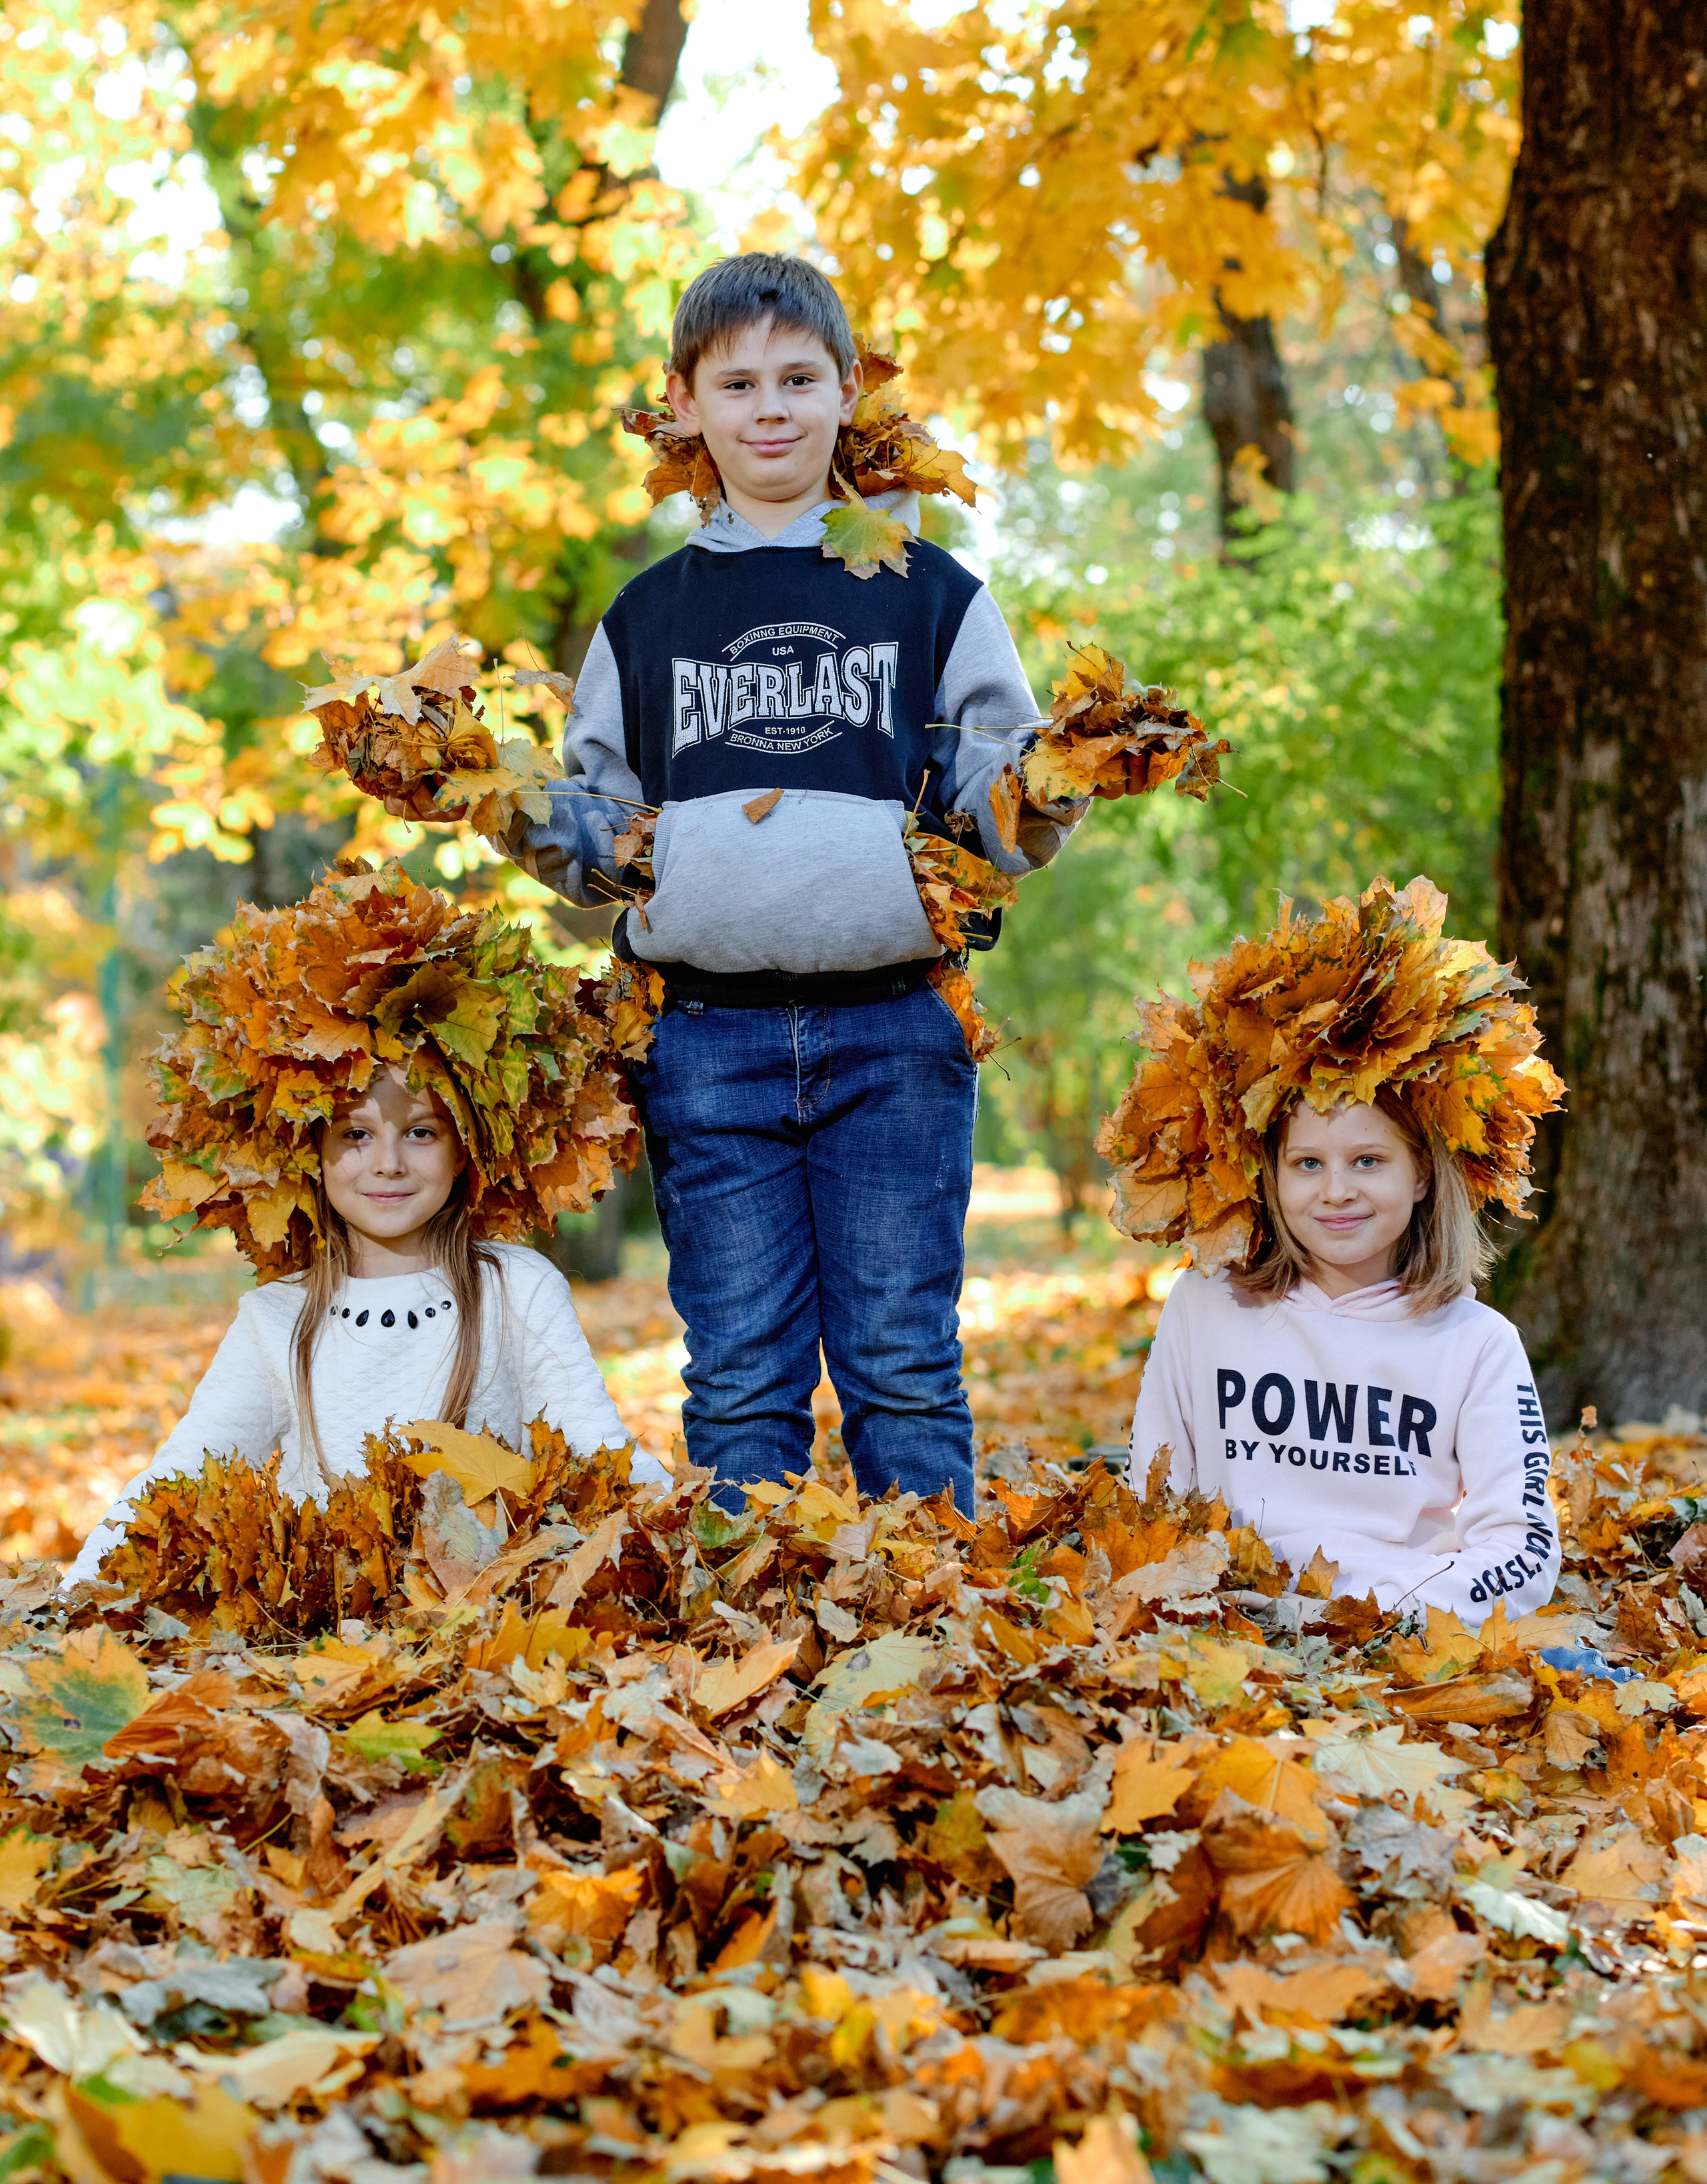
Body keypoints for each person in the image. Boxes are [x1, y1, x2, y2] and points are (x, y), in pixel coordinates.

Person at [481, 254, 1081, 1514]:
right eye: (738, 382)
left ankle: (936, 1639)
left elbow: (994, 801)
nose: (770, 407)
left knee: (903, 1365)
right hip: (705, 1036)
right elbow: (598, 827)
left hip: (898, 1025)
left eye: (800, 379)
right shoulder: (648, 618)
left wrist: (1053, 785)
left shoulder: (933, 595)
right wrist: (502, 801)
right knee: (742, 1375)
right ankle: (752, 1643)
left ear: (847, 389)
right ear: (684, 404)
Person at [65, 861, 665, 1591]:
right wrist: (78, 1590)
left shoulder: (515, 1290)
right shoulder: (278, 1318)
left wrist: (683, 1542)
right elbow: (182, 1473)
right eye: (354, 1135)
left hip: (482, 1621)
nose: (386, 1164)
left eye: (420, 1133)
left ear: (466, 1146)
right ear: (310, 1152)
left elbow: (597, 1450)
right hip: (323, 1625)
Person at [1101, 875, 1567, 1623]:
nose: (1336, 1191)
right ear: (1272, 1177)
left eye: (1368, 1162)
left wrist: (1382, 1610)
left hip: (1396, 1633)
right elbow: (1150, 1493)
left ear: (1421, 1176)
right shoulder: (1204, 1307)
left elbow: (1523, 1550)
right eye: (1307, 1164)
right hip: (1226, 1626)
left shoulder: (1478, 1345)